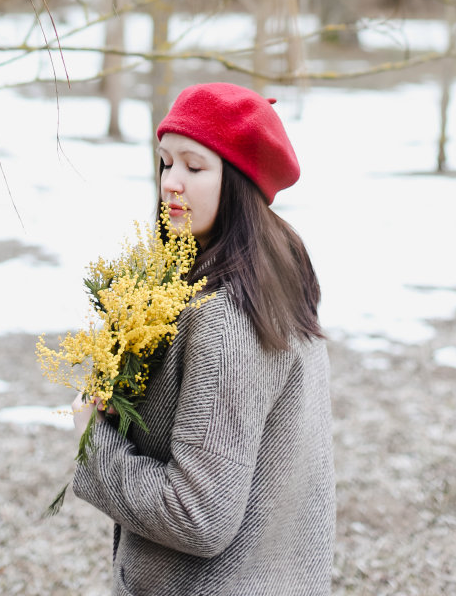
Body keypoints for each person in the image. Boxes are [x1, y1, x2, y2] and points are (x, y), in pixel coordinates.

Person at [70, 80, 335, 596]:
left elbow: (196, 515)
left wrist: (93, 438)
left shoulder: (226, 318)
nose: (171, 182)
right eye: (166, 162)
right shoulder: (272, 273)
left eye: (195, 167)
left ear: (238, 181)